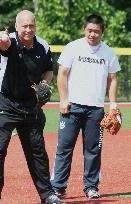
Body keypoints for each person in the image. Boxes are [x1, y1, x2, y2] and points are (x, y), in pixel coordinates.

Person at [0, 10, 65, 204]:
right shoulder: (10, 40)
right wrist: (2, 39)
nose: (28, 29)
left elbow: (48, 71)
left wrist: (45, 85)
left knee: (37, 151)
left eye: (31, 25)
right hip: (5, 102)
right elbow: (4, 45)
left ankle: (48, 195)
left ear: (35, 26)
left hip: (30, 105)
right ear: (16, 27)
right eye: (24, 26)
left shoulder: (43, 45)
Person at [51, 14, 121, 199]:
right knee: (64, 148)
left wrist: (113, 105)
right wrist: (63, 99)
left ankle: (91, 187)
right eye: (90, 30)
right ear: (84, 29)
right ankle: (58, 186)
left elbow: (113, 79)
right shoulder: (73, 47)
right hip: (72, 106)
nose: (93, 34)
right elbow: (62, 74)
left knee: (93, 150)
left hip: (96, 109)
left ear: (102, 32)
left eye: (96, 31)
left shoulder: (108, 52)